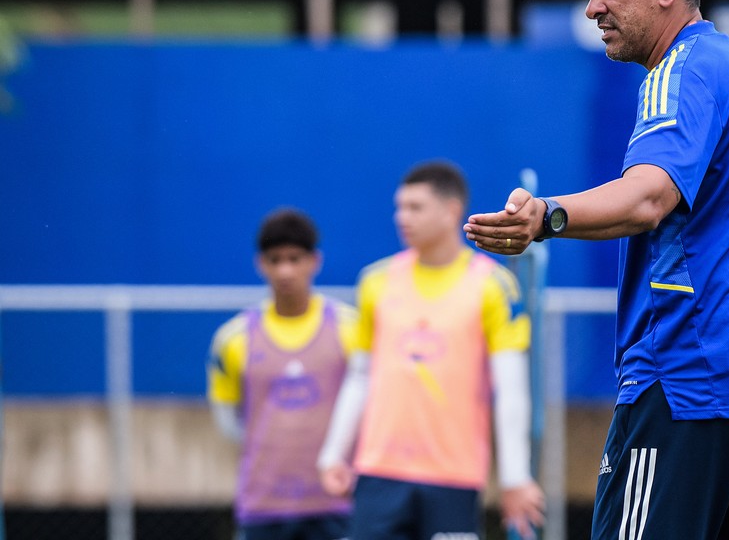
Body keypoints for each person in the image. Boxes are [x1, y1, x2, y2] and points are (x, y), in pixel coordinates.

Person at [463, 0, 729, 540]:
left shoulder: (679, 70)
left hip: (690, 378)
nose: (593, 8)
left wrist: (547, 217)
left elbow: (647, 199)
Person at [316, 160, 545, 540]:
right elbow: (359, 376)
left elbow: (511, 390)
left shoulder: (493, 286)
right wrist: (333, 452)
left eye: (414, 207)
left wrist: (514, 477)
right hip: (378, 473)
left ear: (451, 210)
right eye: (399, 207)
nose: (401, 217)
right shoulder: (375, 281)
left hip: (453, 477)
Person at [207, 208, 354, 540]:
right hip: (263, 505)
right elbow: (227, 420)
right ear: (261, 264)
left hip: (337, 503)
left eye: (294, 258)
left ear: (314, 261)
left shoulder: (350, 328)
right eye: (275, 260)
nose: (285, 270)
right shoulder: (233, 338)